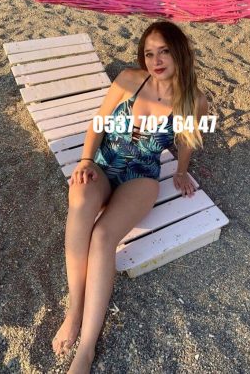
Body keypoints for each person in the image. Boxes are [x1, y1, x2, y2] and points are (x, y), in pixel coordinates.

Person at [51, 20, 209, 373]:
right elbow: (99, 123)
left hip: (141, 175)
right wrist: (86, 160)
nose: (156, 60)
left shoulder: (194, 101)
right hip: (104, 162)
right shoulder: (128, 80)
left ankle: (87, 348)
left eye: (164, 51)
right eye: (149, 53)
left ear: (180, 53)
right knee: (80, 200)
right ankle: (74, 309)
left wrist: (181, 172)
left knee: (103, 236)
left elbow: (186, 142)